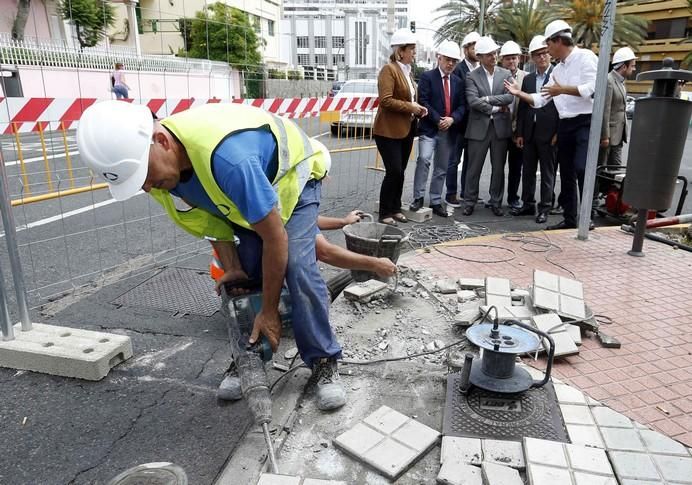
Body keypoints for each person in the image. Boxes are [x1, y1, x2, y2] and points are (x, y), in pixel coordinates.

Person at [76, 100, 347, 411]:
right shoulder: (163, 173)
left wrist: (269, 310)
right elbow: (210, 218)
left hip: (292, 180)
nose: (148, 187)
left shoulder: (229, 160)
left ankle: (323, 359)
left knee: (298, 266)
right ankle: (251, 357)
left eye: (146, 175)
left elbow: (275, 237)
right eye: (140, 183)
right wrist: (233, 266)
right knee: (245, 275)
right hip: (248, 192)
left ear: (161, 141)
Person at [505, 20, 597, 230]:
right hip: (565, 124)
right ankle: (571, 219)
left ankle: (587, 216)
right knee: (565, 172)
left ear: (558, 41)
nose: (547, 51)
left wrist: (562, 90)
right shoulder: (558, 70)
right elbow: (541, 99)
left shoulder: (586, 58)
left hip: (585, 121)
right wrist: (519, 93)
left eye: (549, 45)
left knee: (582, 168)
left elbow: (592, 88)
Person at [211, 210, 398, 281]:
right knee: (314, 290)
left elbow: (308, 218)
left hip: (228, 269)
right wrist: (376, 264)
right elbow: (326, 252)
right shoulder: (283, 203)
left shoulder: (269, 191)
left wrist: (343, 221)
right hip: (244, 277)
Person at [373, 27, 428, 226]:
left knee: (401, 171)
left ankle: (395, 208)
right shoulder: (389, 70)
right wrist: (411, 107)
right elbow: (386, 100)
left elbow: (409, 98)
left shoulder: (407, 72)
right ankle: (385, 212)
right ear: (400, 51)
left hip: (405, 130)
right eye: (411, 49)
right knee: (394, 170)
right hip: (387, 131)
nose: (414, 53)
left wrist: (418, 108)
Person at [410, 40, 466, 218]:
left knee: (441, 167)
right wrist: (438, 120)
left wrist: (452, 119)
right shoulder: (427, 77)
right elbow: (423, 101)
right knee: (424, 160)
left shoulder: (458, 81)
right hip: (429, 129)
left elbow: (462, 106)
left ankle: (435, 200)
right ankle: (418, 197)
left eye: (454, 61)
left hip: (448, 131)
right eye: (447, 59)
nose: (450, 64)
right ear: (439, 58)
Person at [462, 36, 514, 217]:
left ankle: (496, 202)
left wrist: (488, 99)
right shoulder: (471, 76)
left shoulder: (506, 74)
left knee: (498, 168)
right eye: (489, 54)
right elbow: (472, 101)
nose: (493, 56)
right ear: (481, 57)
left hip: (500, 129)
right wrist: (496, 107)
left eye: (494, 53)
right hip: (478, 128)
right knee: (473, 167)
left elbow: (510, 97)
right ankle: (469, 202)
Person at [513, 35, 559, 224]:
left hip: (550, 135)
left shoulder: (558, 76)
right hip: (529, 133)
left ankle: (545, 208)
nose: (541, 57)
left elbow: (563, 107)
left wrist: (558, 133)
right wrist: (520, 133)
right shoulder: (529, 79)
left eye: (544, 53)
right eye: (537, 55)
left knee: (547, 173)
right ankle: (528, 204)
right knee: (528, 171)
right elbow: (523, 107)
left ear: (550, 54)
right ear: (531, 57)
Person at [446, 31, 481, 208]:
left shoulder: (481, 70)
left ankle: (467, 192)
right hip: (459, 124)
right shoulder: (459, 70)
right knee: (454, 160)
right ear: (465, 49)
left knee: (470, 160)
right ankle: (451, 193)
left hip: (476, 125)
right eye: (473, 47)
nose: (476, 50)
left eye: (478, 47)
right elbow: (457, 99)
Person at [499, 40, 527, 211]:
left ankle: (512, 198)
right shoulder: (496, 76)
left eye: (514, 58)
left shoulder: (526, 78)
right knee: (498, 166)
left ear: (519, 59)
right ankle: (496, 198)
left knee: (516, 167)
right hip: (500, 129)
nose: (511, 61)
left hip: (517, 131)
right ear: (502, 60)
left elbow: (526, 107)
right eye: (508, 58)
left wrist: (520, 132)